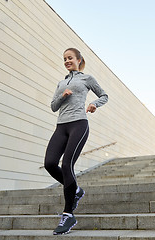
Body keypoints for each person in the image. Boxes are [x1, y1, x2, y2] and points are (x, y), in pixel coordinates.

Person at [44, 47, 108, 235]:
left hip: (79, 124)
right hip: (61, 126)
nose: (67, 61)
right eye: (64, 59)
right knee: (49, 163)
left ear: (79, 60)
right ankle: (76, 190)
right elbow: (53, 107)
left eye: (70, 58)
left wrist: (93, 104)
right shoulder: (61, 82)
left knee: (67, 165)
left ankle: (68, 214)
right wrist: (63, 95)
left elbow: (104, 95)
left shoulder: (87, 79)